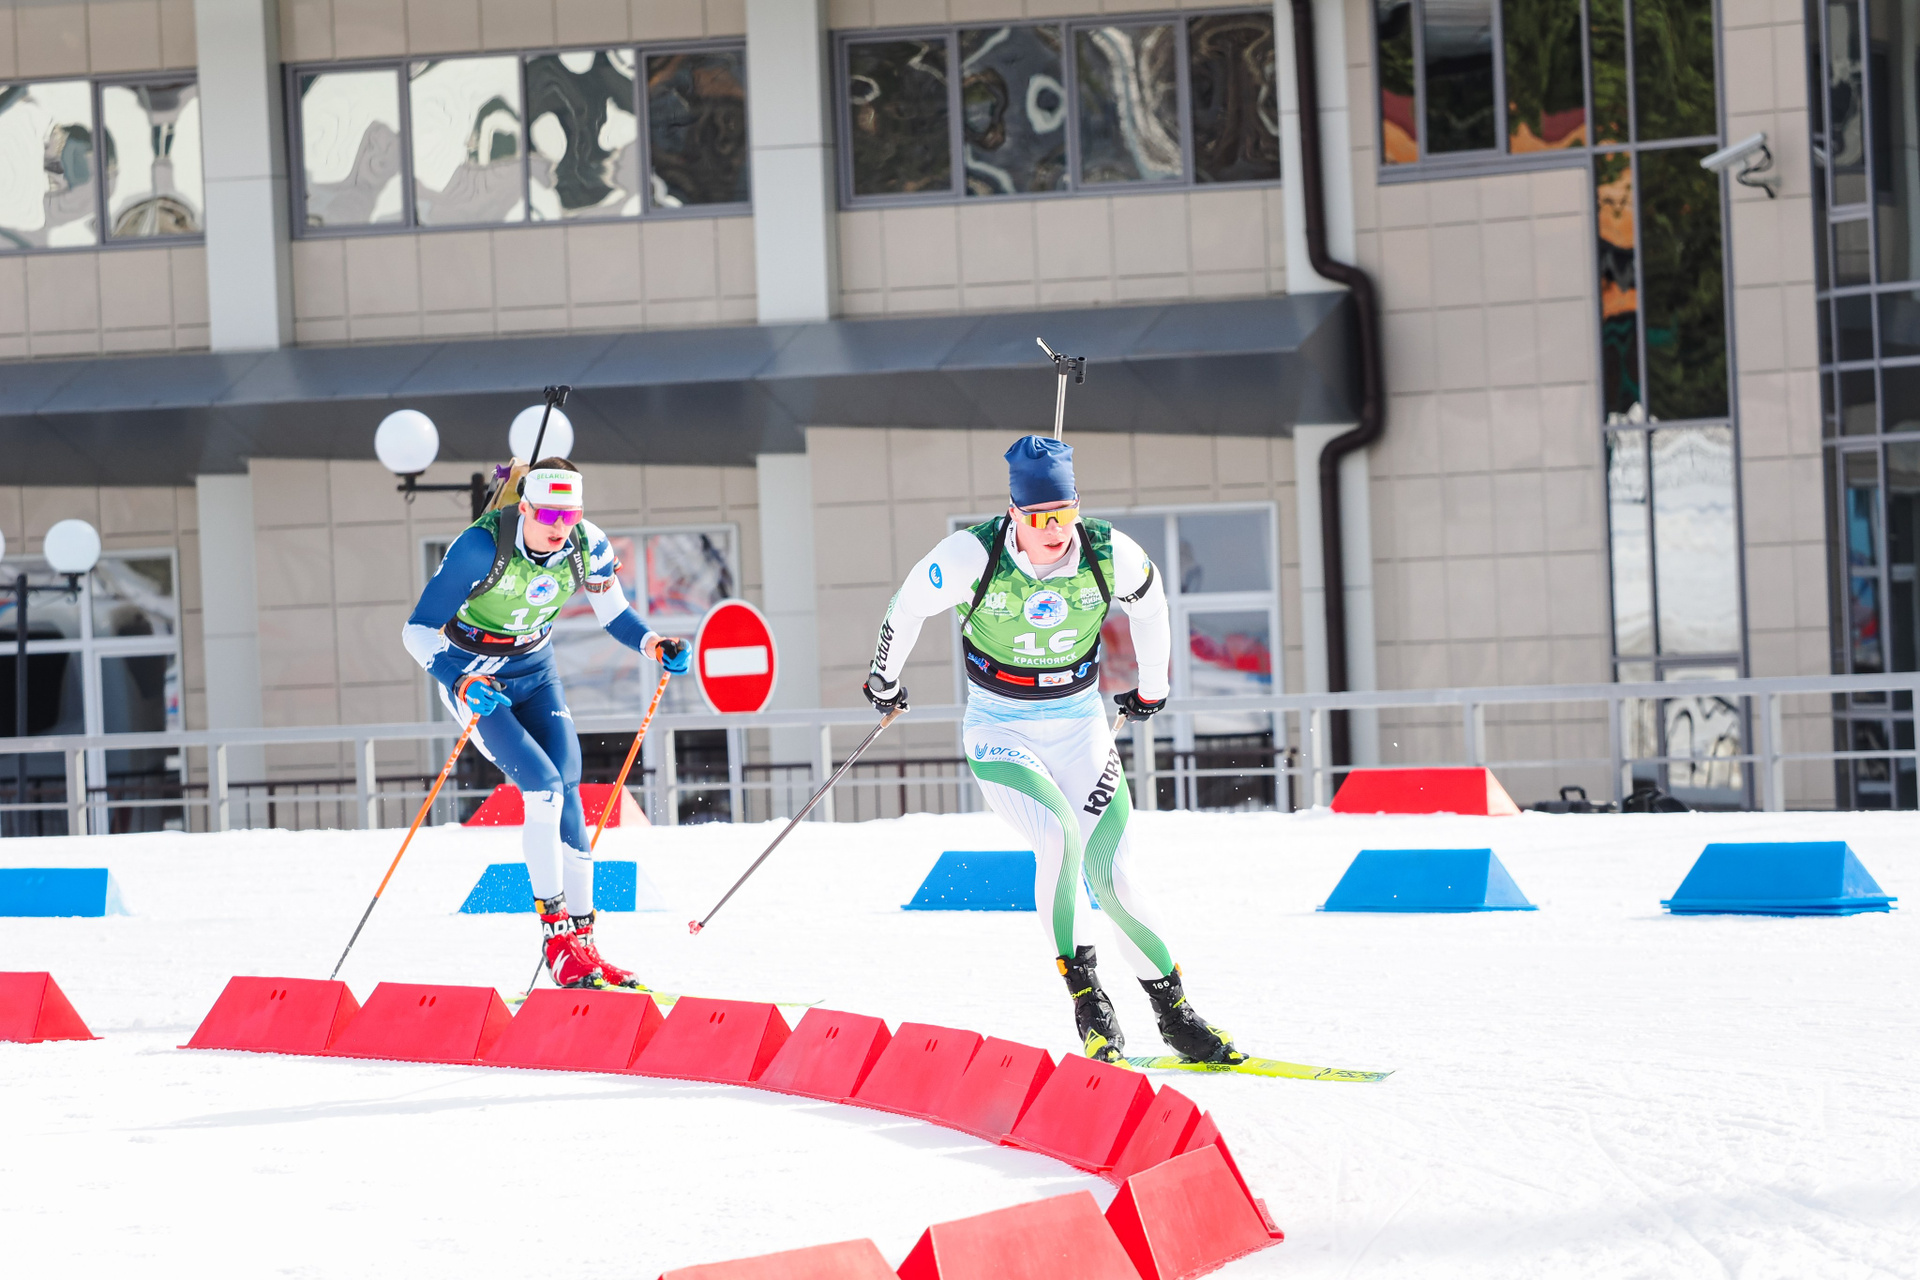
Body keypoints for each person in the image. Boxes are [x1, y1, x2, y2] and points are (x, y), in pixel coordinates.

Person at [862, 436, 1245, 1065]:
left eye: (1064, 514)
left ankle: (1176, 1014)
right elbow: (906, 607)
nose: (1054, 530)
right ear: (1013, 512)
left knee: (1113, 875)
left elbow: (1152, 609)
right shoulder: (970, 555)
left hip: (1079, 726)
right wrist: (885, 679)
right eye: (1039, 518)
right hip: (1001, 730)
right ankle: (1090, 1004)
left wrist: (1153, 687)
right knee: (1059, 839)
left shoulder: (1108, 551)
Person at [402, 457, 691, 990]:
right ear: (526, 508)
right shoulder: (480, 547)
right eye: (549, 516)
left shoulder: (587, 545)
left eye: (570, 515)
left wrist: (654, 644)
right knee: (543, 789)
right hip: (478, 678)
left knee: (570, 788)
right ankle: (556, 941)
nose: (560, 528)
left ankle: (585, 943)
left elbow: (614, 615)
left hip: (536, 674)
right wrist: (458, 680)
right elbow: (416, 629)